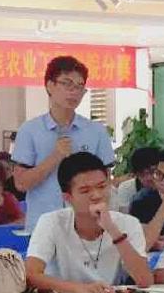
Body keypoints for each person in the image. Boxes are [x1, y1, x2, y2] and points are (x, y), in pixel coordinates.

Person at [25, 152, 153, 293]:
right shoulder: (51, 222)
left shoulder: (128, 223)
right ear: (68, 197)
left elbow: (145, 281)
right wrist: (78, 289)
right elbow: (31, 275)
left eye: (102, 187)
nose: (97, 195)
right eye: (85, 191)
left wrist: (112, 229)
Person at [11, 56, 114, 229]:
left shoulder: (96, 131)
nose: (74, 92)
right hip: (43, 226)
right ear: (49, 86)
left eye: (79, 86)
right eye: (67, 84)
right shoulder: (29, 130)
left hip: (87, 226)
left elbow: (106, 182)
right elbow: (21, 184)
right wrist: (55, 156)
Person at [112, 146, 161, 213]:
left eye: (152, 172)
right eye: (142, 174)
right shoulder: (126, 188)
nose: (148, 178)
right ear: (135, 175)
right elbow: (124, 215)